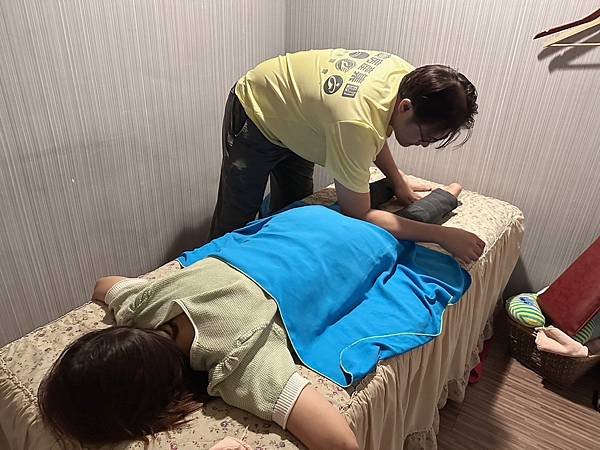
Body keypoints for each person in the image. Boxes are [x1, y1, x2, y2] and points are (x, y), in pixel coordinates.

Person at [37, 185, 472, 450]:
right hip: (300, 223)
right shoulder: (145, 304)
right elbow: (104, 284)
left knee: (398, 226)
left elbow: (340, 442)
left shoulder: (236, 361)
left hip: (350, 247)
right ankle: (438, 190)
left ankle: (446, 193)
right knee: (368, 206)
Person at [209, 48, 483, 264]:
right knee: (236, 217)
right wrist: (441, 235)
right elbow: (358, 212)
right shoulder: (355, 123)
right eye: (425, 137)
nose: (423, 145)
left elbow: (373, 132)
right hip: (256, 107)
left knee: (293, 209)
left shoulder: (406, 79)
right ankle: (208, 274)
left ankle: (265, 262)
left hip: (300, 116)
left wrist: (397, 180)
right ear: (406, 107)